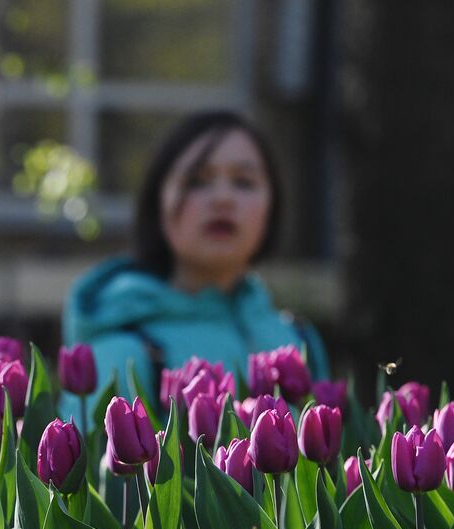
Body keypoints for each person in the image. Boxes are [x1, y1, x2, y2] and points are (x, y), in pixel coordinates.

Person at [62, 110, 329, 414]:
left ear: (272, 207)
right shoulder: (124, 353)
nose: (222, 198)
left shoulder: (296, 341)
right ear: (157, 204)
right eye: (197, 181)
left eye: (243, 182)